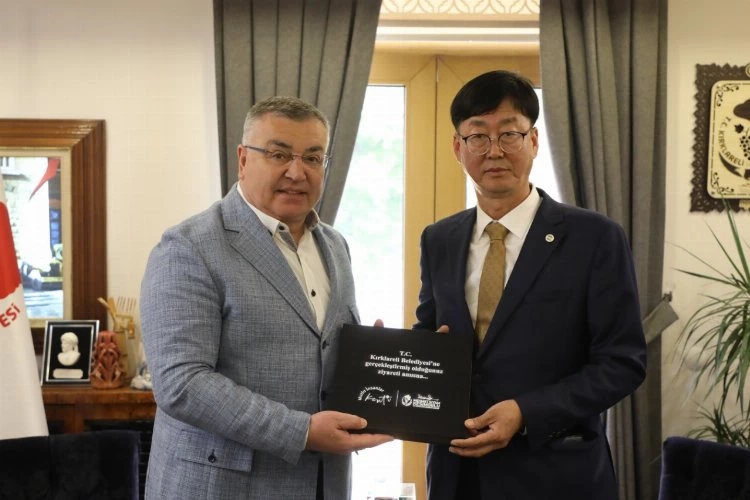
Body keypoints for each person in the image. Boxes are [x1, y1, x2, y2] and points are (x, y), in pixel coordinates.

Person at [140, 96, 392, 500]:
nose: (297, 171)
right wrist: (302, 432)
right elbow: (182, 384)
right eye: (279, 154)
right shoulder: (188, 247)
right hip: (223, 487)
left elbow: (323, 351)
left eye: (313, 158)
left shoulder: (335, 246)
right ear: (243, 159)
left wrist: (379, 360)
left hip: (325, 483)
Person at [414, 70, 647, 499]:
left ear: (534, 141)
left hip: (556, 473)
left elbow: (622, 362)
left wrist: (526, 412)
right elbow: (432, 333)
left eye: (510, 134)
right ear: (458, 147)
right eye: (478, 137)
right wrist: (393, 356)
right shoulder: (439, 239)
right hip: (458, 473)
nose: (494, 151)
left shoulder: (594, 237)